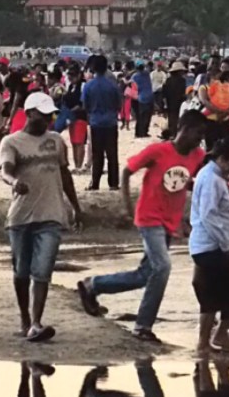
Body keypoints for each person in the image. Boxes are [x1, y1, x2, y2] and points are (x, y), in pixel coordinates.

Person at [77, 112, 207, 343]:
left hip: (169, 222)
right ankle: (143, 326)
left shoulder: (197, 156)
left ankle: (93, 285)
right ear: (185, 129)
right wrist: (126, 206)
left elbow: (187, 182)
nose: (200, 139)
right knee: (163, 267)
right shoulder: (158, 151)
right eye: (198, 133)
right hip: (149, 218)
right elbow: (127, 171)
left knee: (144, 274)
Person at [0, 92, 83, 342]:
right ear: (29, 114)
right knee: (21, 272)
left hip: (52, 214)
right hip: (21, 217)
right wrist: (14, 183)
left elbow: (64, 174)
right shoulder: (11, 142)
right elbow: (5, 170)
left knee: (43, 270)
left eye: (50, 115)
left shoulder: (56, 141)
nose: (47, 119)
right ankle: (25, 318)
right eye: (42, 115)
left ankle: (36, 322)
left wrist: (76, 207)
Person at [188, 137, 229, 355]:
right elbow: (208, 215)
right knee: (214, 296)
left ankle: (220, 336)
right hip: (211, 246)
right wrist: (226, 244)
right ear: (224, 159)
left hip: (211, 245)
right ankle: (205, 342)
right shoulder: (211, 179)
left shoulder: (212, 176)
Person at [82, 55, 122, 191]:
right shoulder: (113, 85)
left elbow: (85, 105)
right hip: (111, 122)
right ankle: (114, 183)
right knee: (112, 154)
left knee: (97, 154)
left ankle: (95, 183)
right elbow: (119, 104)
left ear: (93, 68)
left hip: (95, 123)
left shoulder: (88, 86)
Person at [162, 61, 188, 138]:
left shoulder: (168, 80)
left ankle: (172, 134)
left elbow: (164, 93)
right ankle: (178, 134)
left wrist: (164, 104)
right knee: (179, 119)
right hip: (180, 102)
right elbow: (184, 92)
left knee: (171, 119)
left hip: (170, 102)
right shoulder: (182, 80)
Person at [132, 62, 155, 138]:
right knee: (147, 116)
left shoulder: (135, 76)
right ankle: (145, 132)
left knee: (141, 116)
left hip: (141, 98)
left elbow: (131, 85)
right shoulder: (147, 74)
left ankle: (139, 132)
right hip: (150, 97)